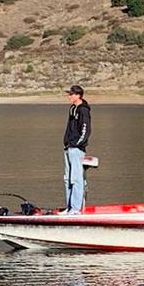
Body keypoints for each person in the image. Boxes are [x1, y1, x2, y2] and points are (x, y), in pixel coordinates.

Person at [62, 85, 91, 214]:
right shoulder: (72, 108)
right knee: (67, 178)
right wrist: (67, 142)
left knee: (76, 179)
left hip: (77, 148)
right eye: (69, 94)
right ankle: (69, 207)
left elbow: (86, 130)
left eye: (71, 94)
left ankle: (75, 209)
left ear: (78, 95)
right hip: (68, 147)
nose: (69, 96)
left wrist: (77, 143)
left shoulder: (83, 110)